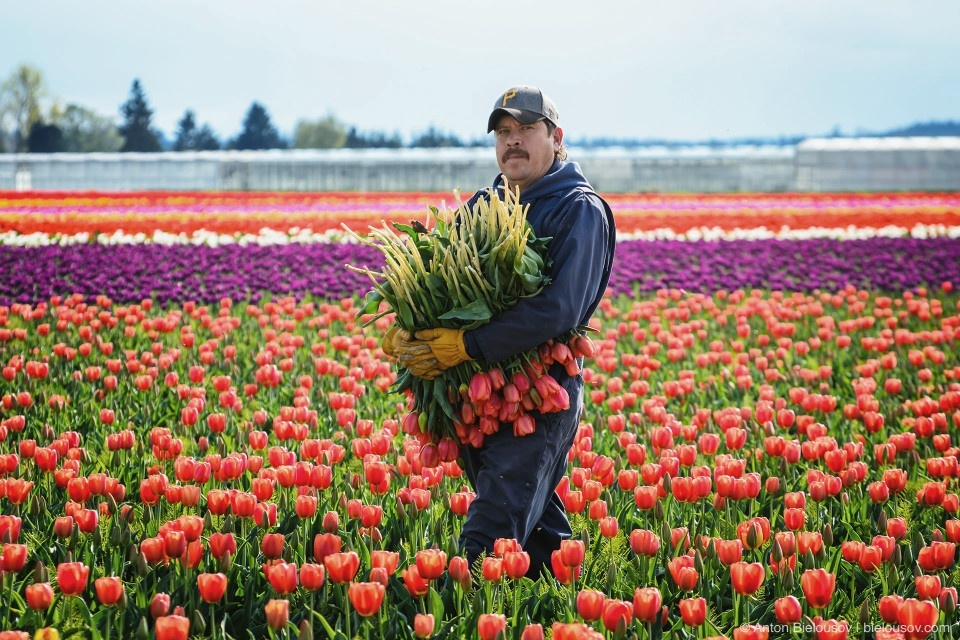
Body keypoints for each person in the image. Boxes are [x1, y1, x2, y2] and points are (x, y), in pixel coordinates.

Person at [385, 86, 616, 579]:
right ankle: (562, 600)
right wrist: (411, 326)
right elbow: (442, 279)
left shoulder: (579, 209)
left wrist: (467, 344)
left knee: (495, 519)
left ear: (556, 137)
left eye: (525, 130)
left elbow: (558, 310)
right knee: (531, 527)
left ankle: (450, 607)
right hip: (479, 393)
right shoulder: (485, 203)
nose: (512, 142)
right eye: (504, 133)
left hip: (539, 393)